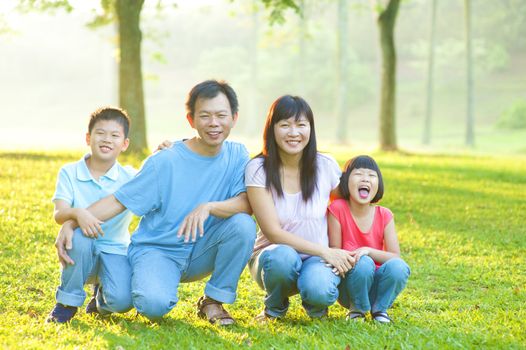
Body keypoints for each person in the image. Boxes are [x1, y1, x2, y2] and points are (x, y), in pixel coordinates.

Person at [55, 80, 256, 325]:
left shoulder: (238, 155)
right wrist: (74, 221)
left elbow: (247, 202)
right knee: (152, 305)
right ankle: (112, 294)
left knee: (243, 225)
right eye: (205, 116)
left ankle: (212, 301)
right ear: (191, 120)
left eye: (221, 115)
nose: (214, 123)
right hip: (159, 250)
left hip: (203, 248)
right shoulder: (166, 160)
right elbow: (119, 201)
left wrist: (209, 207)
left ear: (234, 118)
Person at [245, 95, 355, 321]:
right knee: (283, 257)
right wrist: (326, 251)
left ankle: (315, 304)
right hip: (273, 259)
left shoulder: (325, 166)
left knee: (319, 288)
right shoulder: (258, 169)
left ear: (310, 129)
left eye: (301, 125)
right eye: (284, 125)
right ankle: (274, 308)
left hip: (316, 259)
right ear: (272, 129)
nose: (293, 132)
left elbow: (348, 202)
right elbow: (273, 232)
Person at [46, 107, 136, 323]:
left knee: (122, 301)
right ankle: (67, 302)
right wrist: (77, 214)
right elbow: (59, 213)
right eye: (100, 133)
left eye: (115, 135)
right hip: (80, 251)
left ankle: (101, 299)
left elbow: (157, 173)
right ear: (88, 138)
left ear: (124, 144)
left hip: (115, 250)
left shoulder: (130, 177)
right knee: (78, 237)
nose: (106, 140)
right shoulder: (70, 172)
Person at [328, 155, 410, 323]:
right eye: (358, 174)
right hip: (349, 286)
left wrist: (368, 251)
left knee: (399, 267)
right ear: (346, 181)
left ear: (378, 184)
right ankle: (356, 309)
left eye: (371, 176)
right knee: (364, 263)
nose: (365, 178)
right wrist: (359, 257)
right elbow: (334, 250)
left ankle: (380, 310)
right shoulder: (337, 209)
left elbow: (395, 256)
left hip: (377, 285)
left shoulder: (384, 215)